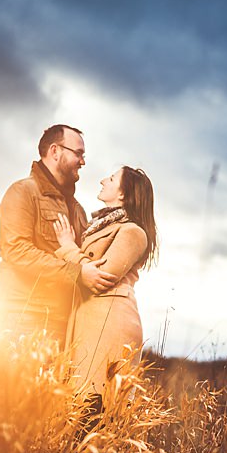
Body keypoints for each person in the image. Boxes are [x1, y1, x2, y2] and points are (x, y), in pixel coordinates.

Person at [0, 124, 117, 340]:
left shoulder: (78, 209)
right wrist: (77, 274)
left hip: (67, 321)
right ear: (55, 151)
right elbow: (16, 251)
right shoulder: (22, 192)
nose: (83, 161)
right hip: (26, 317)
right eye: (78, 153)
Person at [53, 166, 157, 398]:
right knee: (81, 406)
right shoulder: (102, 227)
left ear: (123, 194)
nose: (102, 180)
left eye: (111, 179)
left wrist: (68, 246)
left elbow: (101, 277)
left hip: (110, 325)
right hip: (91, 321)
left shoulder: (133, 232)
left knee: (97, 407)